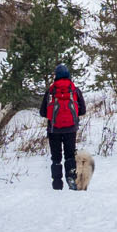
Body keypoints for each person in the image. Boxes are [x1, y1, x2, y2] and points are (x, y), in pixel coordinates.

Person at [41, 63, 85, 191]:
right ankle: (71, 178)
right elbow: (82, 110)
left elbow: (43, 112)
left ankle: (57, 183)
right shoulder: (74, 90)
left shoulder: (50, 91)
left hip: (54, 129)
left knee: (56, 157)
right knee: (70, 155)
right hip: (71, 129)